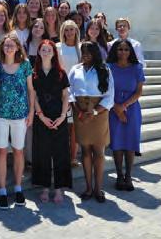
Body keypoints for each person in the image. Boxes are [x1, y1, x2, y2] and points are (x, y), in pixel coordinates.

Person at [0, 33, 34, 210]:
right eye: (6, 45)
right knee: (1, 152)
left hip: (20, 115)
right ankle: (2, 191)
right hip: (0, 114)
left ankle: (18, 188)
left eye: (11, 45)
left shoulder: (25, 65)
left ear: (17, 48)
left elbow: (30, 90)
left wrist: (31, 111)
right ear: (2, 48)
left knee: (18, 151)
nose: (8, 48)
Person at [69, 42, 114, 203]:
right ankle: (88, 187)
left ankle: (98, 188)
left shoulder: (104, 69)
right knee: (86, 151)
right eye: (83, 51)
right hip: (80, 113)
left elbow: (110, 95)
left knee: (99, 152)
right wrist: (77, 109)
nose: (86, 54)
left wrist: (94, 111)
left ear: (95, 53)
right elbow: (70, 91)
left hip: (99, 113)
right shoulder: (75, 69)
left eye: (89, 51)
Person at [32, 40, 72, 204]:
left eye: (49, 50)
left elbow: (65, 96)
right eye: (43, 50)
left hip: (59, 116)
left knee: (60, 152)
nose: (46, 52)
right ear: (39, 52)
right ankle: (44, 188)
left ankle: (59, 188)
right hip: (41, 117)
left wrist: (63, 116)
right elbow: (33, 97)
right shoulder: (34, 73)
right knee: (42, 152)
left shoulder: (61, 73)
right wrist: (41, 116)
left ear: (54, 53)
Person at [106, 39, 145, 192]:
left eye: (126, 49)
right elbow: (105, 90)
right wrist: (116, 108)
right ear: (115, 51)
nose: (123, 52)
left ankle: (128, 176)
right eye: (120, 49)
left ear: (131, 51)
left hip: (132, 109)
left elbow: (139, 92)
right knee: (117, 143)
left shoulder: (137, 67)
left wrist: (123, 106)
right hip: (113, 107)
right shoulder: (109, 67)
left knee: (130, 143)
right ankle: (119, 176)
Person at [56, 20, 82, 167]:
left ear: (76, 31)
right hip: (61, 91)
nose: (69, 33)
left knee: (74, 127)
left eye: (72, 29)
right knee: (62, 125)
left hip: (77, 91)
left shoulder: (81, 48)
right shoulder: (58, 47)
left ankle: (73, 157)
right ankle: (62, 156)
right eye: (66, 30)